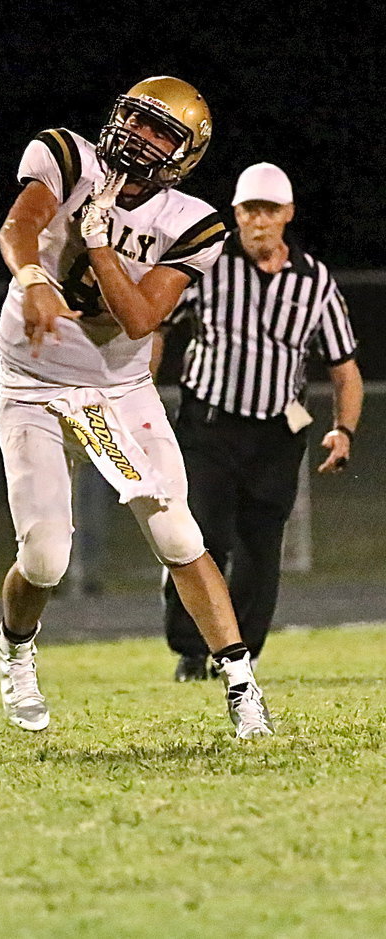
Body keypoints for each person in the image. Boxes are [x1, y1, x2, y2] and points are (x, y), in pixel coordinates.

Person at [0, 76, 274, 739]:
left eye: (161, 131)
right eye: (136, 120)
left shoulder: (192, 222)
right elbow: (19, 226)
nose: (141, 136)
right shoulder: (67, 157)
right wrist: (33, 278)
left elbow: (143, 317)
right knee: (45, 559)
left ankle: (240, 682)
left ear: (186, 152)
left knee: (179, 533)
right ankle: (15, 649)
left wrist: (98, 247)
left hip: (115, 390)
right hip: (32, 381)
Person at [152, 163, 362, 681]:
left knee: (260, 549)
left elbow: (345, 370)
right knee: (197, 537)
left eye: (269, 210)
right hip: (208, 425)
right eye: (249, 210)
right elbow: (155, 325)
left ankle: (238, 656)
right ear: (237, 214)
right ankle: (191, 649)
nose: (258, 221)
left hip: (275, 434)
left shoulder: (315, 282)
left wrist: (345, 429)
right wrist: (139, 392)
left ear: (287, 215)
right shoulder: (211, 266)